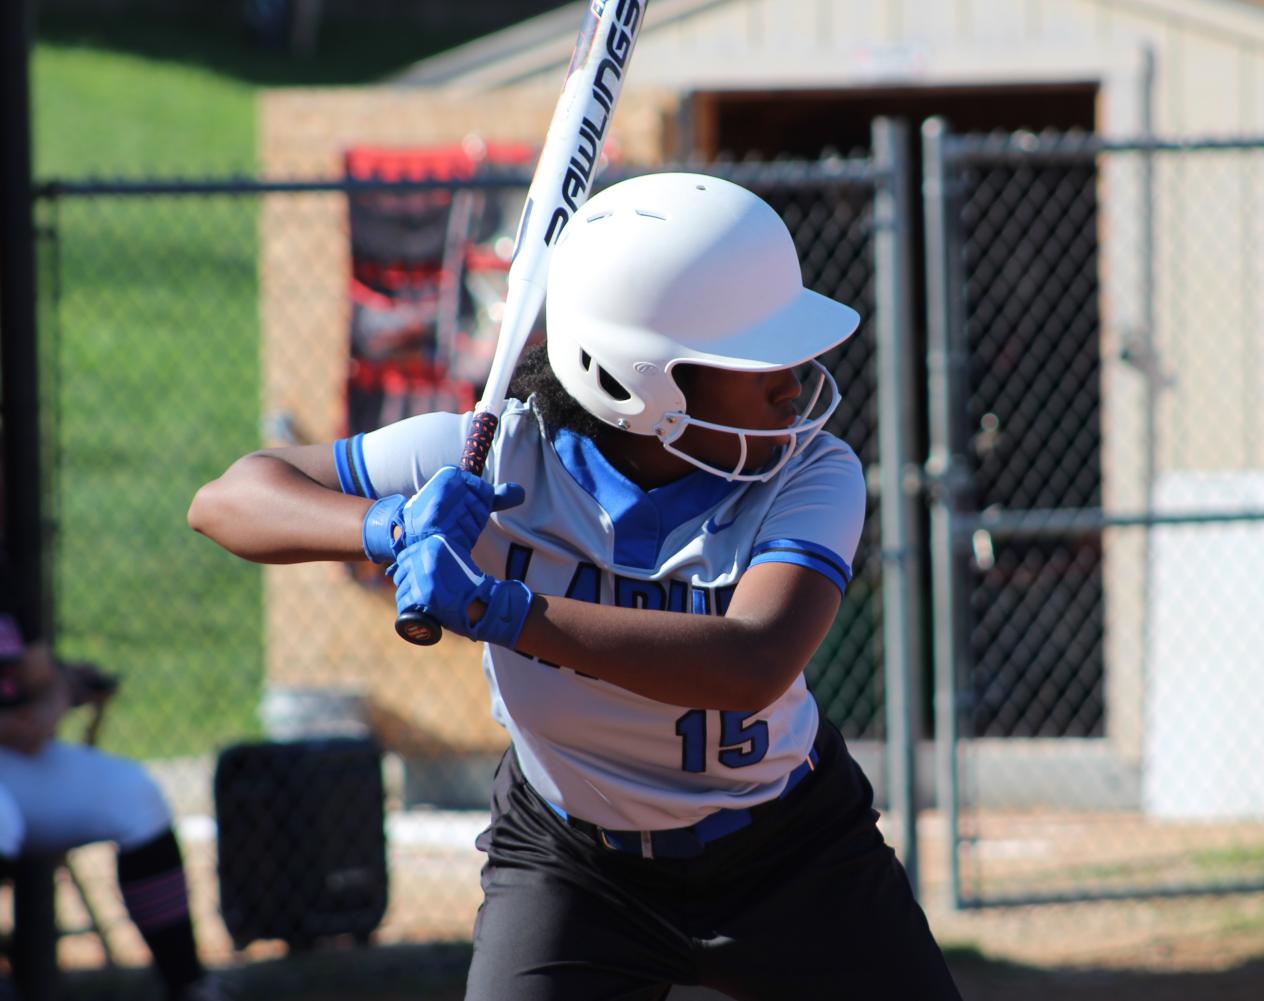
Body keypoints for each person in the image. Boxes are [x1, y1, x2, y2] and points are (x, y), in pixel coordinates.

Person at [188, 172, 961, 1000]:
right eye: (754, 359)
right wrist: (386, 526)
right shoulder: (493, 454)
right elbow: (227, 499)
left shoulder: (808, 470)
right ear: (639, 380)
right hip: (573, 861)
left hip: (789, 851)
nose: (792, 380)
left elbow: (752, 661)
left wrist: (498, 608)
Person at [0, 560, 227, 1001]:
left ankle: (187, 984)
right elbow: (26, 718)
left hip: (14, 759)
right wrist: (30, 714)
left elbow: (40, 677)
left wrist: (56, 694)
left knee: (132, 794)